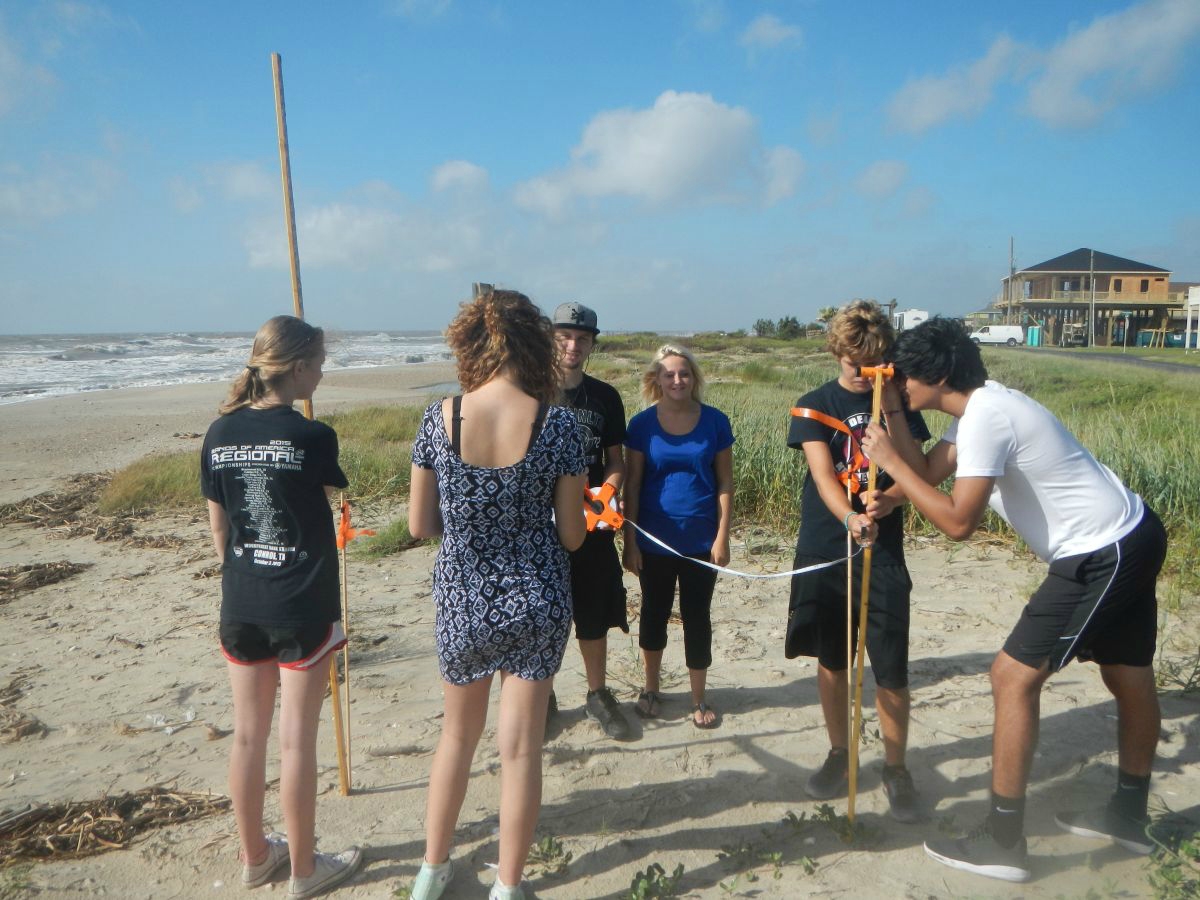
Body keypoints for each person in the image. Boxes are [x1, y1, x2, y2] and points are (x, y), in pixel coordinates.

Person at [860, 316, 1168, 883]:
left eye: (905, 377)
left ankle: (1004, 841)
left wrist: (891, 463)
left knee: (1011, 676)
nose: (897, 383)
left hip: (1102, 551)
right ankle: (1127, 816)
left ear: (941, 373)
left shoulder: (987, 418)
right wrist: (898, 457)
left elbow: (957, 523)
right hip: (1129, 533)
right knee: (1126, 675)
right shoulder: (983, 407)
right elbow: (930, 472)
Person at [407, 289, 587, 900]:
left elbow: (419, 526)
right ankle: (508, 886)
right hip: (536, 595)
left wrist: (469, 521)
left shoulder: (440, 417)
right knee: (520, 750)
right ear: (536, 345)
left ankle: (432, 872)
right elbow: (571, 534)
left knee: (456, 738)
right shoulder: (559, 424)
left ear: (471, 344)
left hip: (463, 596)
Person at [200, 315, 363, 900]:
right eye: (318, 363)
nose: (322, 372)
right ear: (296, 367)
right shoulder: (312, 437)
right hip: (301, 601)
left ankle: (254, 858)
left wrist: (249, 567)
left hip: (241, 600)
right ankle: (302, 871)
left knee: (249, 737)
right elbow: (319, 498)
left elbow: (220, 528)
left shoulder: (219, 433)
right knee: (295, 739)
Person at [785, 300, 930, 823]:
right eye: (853, 359)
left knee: (890, 666)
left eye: (872, 359)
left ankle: (895, 768)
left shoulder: (896, 405)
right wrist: (850, 516)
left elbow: (915, 469)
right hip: (828, 547)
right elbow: (824, 475)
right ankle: (839, 754)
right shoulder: (814, 403)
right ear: (838, 351)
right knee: (832, 659)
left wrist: (889, 499)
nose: (862, 369)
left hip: (884, 553)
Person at [622, 345, 734, 729]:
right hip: (654, 540)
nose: (677, 380)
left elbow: (724, 483)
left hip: (701, 539)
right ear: (656, 380)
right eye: (668, 374)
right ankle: (651, 689)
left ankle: (699, 697)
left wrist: (722, 537)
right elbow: (632, 487)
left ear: (694, 378)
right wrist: (630, 541)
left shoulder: (716, 422)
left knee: (697, 616)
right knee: (653, 612)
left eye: (684, 373)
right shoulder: (640, 425)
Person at [550, 301, 633, 741]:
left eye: (582, 339)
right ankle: (542, 699)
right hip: (540, 525)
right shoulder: (530, 392)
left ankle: (598, 694)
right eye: (564, 337)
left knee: (594, 609)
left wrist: (608, 491)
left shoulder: (605, 397)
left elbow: (615, 460)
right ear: (551, 338)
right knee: (544, 612)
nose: (572, 345)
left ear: (592, 344)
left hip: (592, 522)